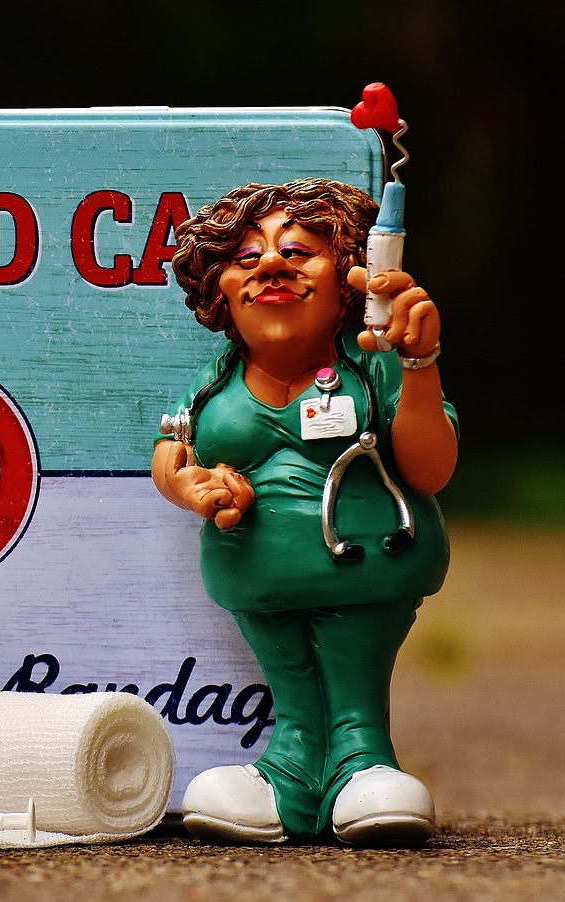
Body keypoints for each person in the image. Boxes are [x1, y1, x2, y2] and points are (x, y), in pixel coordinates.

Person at [152, 177, 457, 846]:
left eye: (297, 251)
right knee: (293, 692)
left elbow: (430, 470)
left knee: (352, 689)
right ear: (219, 286)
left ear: (349, 274)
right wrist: (192, 486)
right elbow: (172, 452)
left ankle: (363, 762)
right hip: (258, 585)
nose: (270, 264)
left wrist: (420, 363)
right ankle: (290, 778)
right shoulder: (215, 381)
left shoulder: (373, 365)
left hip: (368, 571)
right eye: (246, 256)